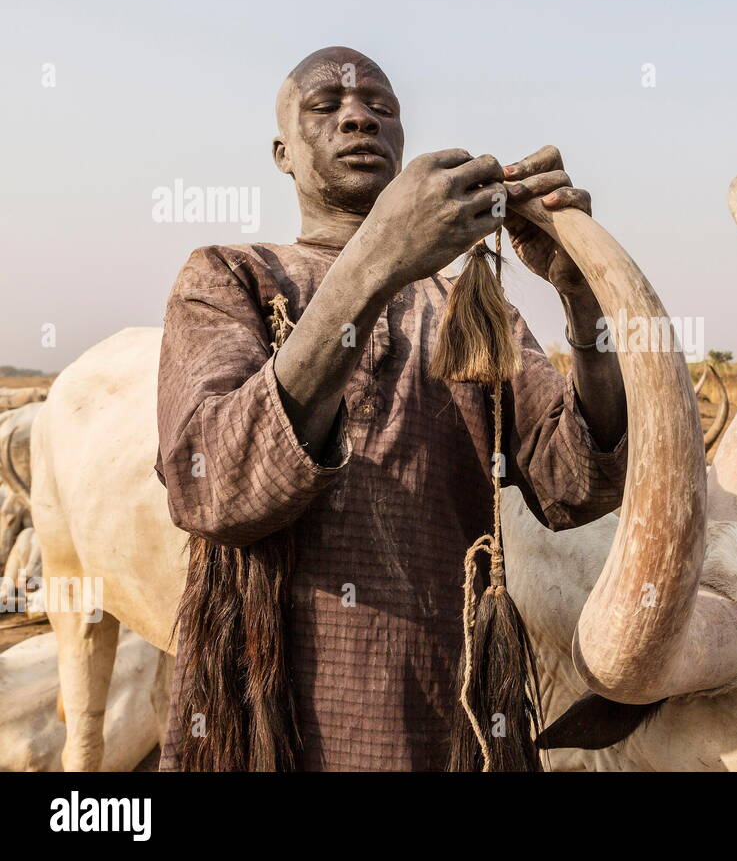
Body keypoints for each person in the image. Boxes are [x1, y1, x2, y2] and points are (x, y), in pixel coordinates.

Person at [154, 46, 627, 770]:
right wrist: (379, 255)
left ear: (402, 142)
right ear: (283, 153)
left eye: (381, 107)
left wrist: (583, 292)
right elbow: (212, 485)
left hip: (452, 709)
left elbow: (577, 485)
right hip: (273, 724)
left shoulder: (467, 305)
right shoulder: (229, 276)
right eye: (327, 106)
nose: (358, 118)